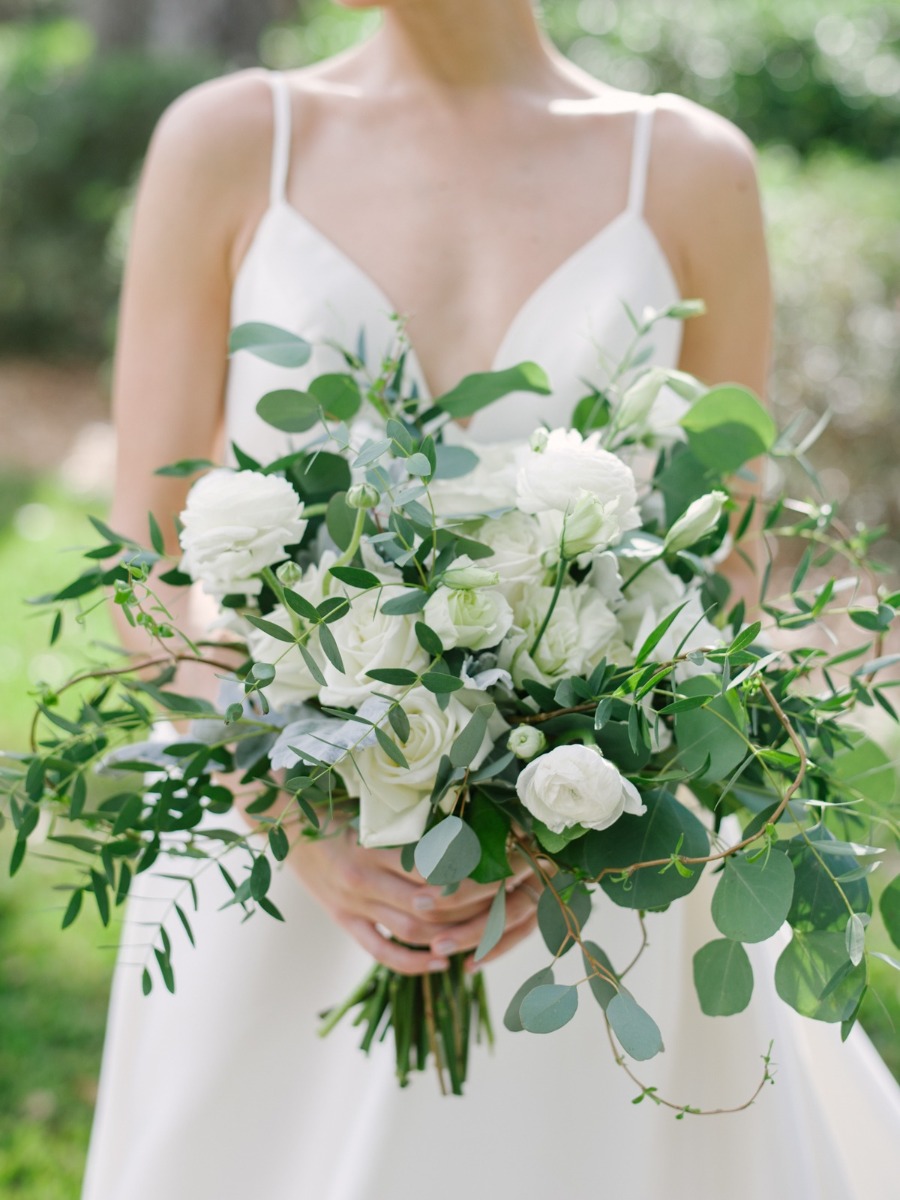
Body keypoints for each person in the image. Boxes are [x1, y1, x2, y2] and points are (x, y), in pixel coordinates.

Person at [81, 3, 900, 1197]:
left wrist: (567, 801)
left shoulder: (687, 169)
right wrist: (294, 805)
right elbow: (146, 573)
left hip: (599, 883)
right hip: (282, 877)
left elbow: (726, 558)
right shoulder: (228, 140)